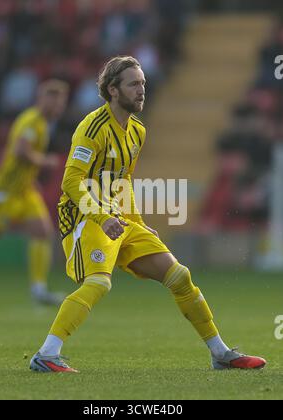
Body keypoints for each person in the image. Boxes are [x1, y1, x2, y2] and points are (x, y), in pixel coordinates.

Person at [30, 57, 266, 373]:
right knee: (100, 283)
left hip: (118, 216)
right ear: (112, 90)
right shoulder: (93, 127)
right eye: (134, 84)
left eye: (143, 83)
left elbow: (122, 180)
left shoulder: (137, 131)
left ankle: (220, 354)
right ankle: (46, 354)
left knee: (179, 276)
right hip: (84, 217)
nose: (142, 90)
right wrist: (102, 218)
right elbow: (71, 181)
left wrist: (138, 224)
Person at [0, 79, 69, 305]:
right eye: (56, 102)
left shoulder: (41, 123)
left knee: (42, 231)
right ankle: (39, 289)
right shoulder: (31, 121)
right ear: (44, 100)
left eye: (61, 103)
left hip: (24, 189)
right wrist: (45, 161)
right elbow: (21, 151)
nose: (59, 108)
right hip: (6, 189)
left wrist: (31, 179)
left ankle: (39, 290)